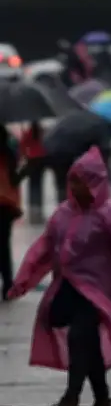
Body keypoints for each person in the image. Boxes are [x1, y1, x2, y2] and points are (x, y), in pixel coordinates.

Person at [5, 147, 111, 406]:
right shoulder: (63, 213)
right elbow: (43, 249)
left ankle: (71, 397)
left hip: (100, 290)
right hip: (68, 286)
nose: (75, 186)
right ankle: (102, 402)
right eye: (73, 180)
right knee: (86, 341)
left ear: (96, 182)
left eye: (81, 180)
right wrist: (23, 281)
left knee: (79, 336)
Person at [0, 126, 21, 300]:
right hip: (6, 204)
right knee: (4, 246)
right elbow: (15, 179)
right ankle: (7, 284)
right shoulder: (10, 154)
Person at [19, 122, 46, 224]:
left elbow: (23, 146)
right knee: (39, 184)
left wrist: (23, 157)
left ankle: (33, 211)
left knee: (32, 185)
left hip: (31, 160)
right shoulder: (42, 132)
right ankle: (39, 209)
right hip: (42, 159)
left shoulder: (28, 133)